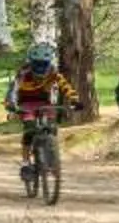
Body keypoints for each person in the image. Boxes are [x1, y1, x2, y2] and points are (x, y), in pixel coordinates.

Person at [7, 46, 81, 183]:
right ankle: (25, 163)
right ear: (31, 62)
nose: (40, 67)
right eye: (37, 63)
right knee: (29, 129)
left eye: (44, 64)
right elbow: (13, 90)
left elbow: (65, 86)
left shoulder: (53, 72)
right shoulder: (23, 73)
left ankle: (52, 158)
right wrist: (11, 103)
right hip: (26, 103)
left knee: (52, 127)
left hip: (44, 103)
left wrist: (74, 100)